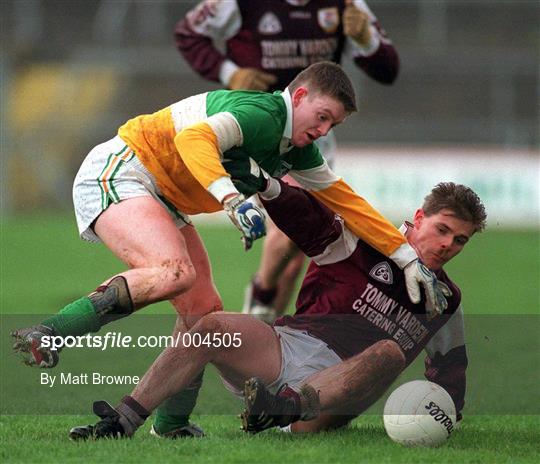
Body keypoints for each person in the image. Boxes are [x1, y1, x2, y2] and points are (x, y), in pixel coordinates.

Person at [11, 62, 443, 439]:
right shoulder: (264, 115)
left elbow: (346, 201)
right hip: (124, 169)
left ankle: (171, 424)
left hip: (164, 195)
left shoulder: (297, 148)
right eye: (322, 116)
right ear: (300, 95)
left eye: (334, 125)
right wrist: (231, 199)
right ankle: (50, 333)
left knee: (203, 310)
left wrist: (406, 258)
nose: (324, 130)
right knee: (174, 272)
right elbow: (194, 140)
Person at [68, 176, 486, 440]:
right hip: (285, 348)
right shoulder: (364, 241)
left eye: (461, 240)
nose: (448, 245)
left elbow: (449, 369)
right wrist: (268, 186)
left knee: (388, 353)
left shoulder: (445, 299)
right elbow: (309, 219)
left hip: (330, 396)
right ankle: (121, 422)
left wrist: (446, 415)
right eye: (443, 230)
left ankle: (280, 410)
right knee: (208, 325)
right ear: (417, 219)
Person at [175, 0, 400, 323]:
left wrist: (366, 40)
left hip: (314, 134)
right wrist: (230, 72)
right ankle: (261, 298)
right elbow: (188, 33)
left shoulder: (347, 5)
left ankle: (263, 335)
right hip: (257, 127)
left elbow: (388, 69)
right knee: (290, 225)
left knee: (296, 254)